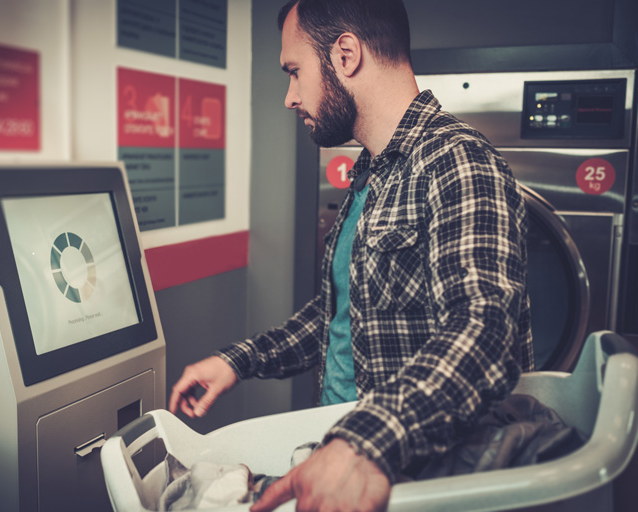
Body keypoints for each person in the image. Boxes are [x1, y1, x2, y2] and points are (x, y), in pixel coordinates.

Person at [170, 0, 534, 510]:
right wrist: (237, 361)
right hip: (338, 447)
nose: (289, 97)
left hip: (399, 472)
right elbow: (342, 313)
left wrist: (361, 440)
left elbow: (484, 332)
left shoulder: (458, 161)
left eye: (294, 72)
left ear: (345, 55)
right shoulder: (371, 172)